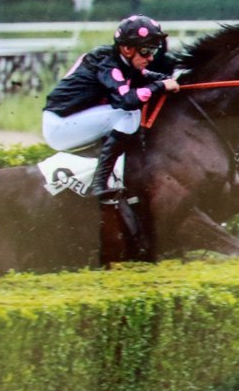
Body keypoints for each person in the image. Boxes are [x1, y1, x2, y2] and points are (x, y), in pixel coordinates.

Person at [42, 15, 179, 251]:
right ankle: (100, 182)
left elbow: (146, 77)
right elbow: (127, 100)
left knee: (129, 112)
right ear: (127, 49)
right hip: (60, 126)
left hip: (73, 121)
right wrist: (160, 86)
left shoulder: (122, 61)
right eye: (146, 51)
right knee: (127, 113)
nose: (151, 57)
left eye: (154, 51)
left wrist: (170, 80)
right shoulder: (107, 63)